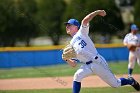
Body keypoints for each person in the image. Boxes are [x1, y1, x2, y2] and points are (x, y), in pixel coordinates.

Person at [63, 10, 140, 93]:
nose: (67, 27)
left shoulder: (81, 33)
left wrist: (98, 12)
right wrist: (66, 59)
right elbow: (74, 64)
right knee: (77, 76)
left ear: (76, 26)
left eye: (69, 25)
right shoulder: (70, 44)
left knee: (115, 84)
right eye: (66, 25)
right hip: (87, 66)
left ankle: (130, 81)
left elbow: (85, 20)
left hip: (98, 62)